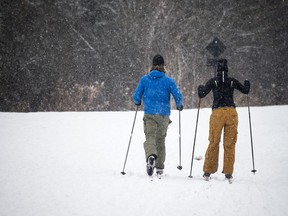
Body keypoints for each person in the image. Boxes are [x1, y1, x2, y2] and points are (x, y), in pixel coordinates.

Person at [197, 59, 250, 181]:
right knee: (230, 144)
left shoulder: (213, 81)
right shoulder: (232, 81)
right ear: (227, 68)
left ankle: (207, 171)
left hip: (217, 113)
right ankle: (228, 172)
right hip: (231, 112)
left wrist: (200, 88)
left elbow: (202, 94)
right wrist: (247, 83)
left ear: (217, 69)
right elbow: (245, 90)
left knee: (214, 142)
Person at [133, 54, 183, 177]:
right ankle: (159, 167)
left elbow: (136, 97)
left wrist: (137, 101)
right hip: (164, 115)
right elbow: (177, 95)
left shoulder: (145, 80)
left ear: (152, 65)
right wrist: (179, 104)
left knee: (150, 138)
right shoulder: (169, 81)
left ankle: (151, 156)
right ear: (163, 66)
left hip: (150, 114)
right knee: (160, 140)